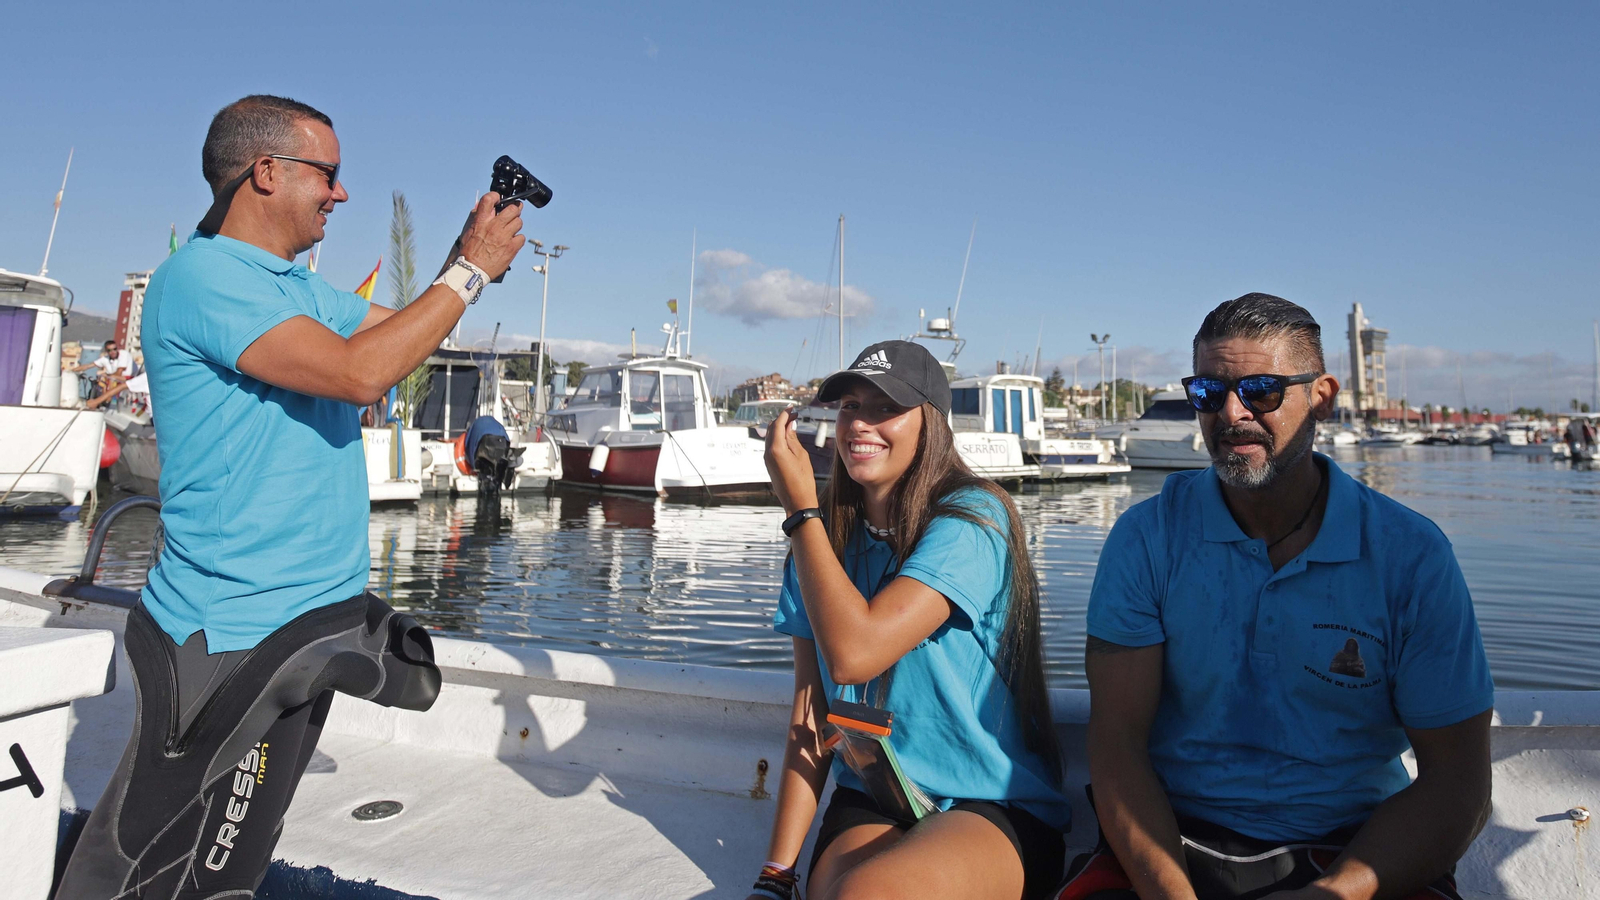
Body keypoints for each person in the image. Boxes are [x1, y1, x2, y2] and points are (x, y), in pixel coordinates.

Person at [56, 94, 526, 900]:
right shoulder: (201, 276)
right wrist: (469, 270)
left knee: (233, 864)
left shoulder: (293, 288)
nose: (341, 195)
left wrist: (462, 254)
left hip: (305, 620)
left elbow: (398, 334)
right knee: (148, 860)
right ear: (265, 172)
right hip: (232, 630)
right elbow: (359, 374)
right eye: (329, 175)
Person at [1065, 294, 1493, 900]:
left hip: (1356, 850)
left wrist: (1336, 893)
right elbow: (1117, 744)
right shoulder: (1147, 538)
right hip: (1172, 844)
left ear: (1321, 396)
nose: (1231, 413)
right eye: (1209, 393)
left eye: (1261, 390)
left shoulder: (1410, 557)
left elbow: (1457, 781)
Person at [755, 340, 1069, 900]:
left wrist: (800, 509)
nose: (860, 423)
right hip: (878, 794)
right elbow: (810, 712)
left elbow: (856, 652)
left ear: (931, 425)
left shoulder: (974, 520)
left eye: (885, 408)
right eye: (851, 405)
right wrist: (776, 875)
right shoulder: (820, 546)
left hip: (991, 802)